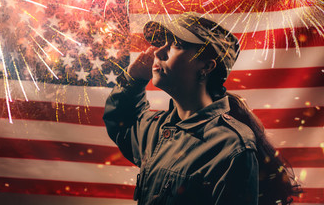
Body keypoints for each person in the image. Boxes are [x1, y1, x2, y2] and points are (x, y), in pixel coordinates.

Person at [103, 13, 300, 205]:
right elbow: (122, 121)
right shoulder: (158, 129)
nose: (157, 52)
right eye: (162, 43)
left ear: (206, 67)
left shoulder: (231, 147)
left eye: (176, 45)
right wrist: (133, 80)